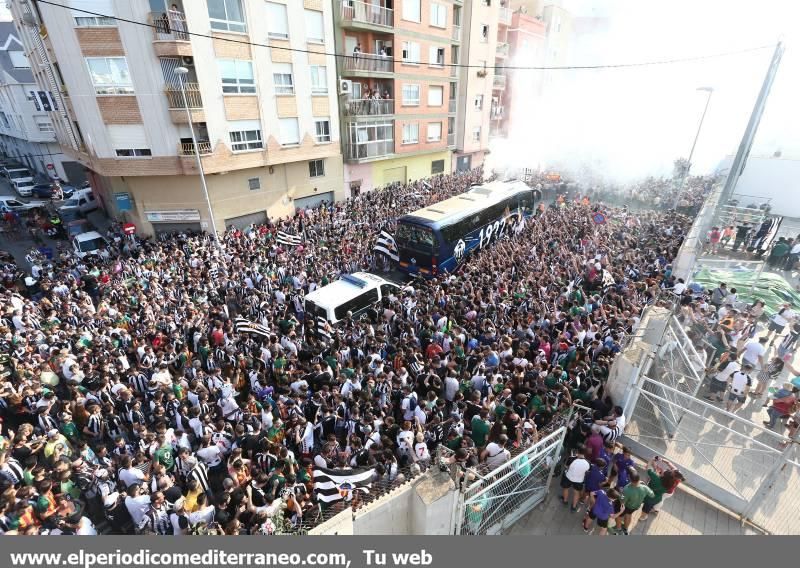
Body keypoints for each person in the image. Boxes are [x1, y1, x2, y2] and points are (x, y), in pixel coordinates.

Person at [619, 469, 654, 535]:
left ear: (630, 479)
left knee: (627, 516)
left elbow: (622, 500)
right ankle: (625, 527)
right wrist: (645, 486)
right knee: (629, 515)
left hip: (628, 506)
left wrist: (621, 494)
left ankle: (623, 528)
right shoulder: (644, 488)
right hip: (637, 506)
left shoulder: (626, 489)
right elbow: (652, 495)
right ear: (639, 479)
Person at [560, 446, 590, 513]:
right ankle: (573, 507)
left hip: (568, 477)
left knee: (566, 488)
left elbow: (566, 466)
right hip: (579, 480)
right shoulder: (588, 463)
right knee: (576, 493)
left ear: (578, 451)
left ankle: (565, 501)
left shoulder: (572, 458)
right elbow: (587, 471)